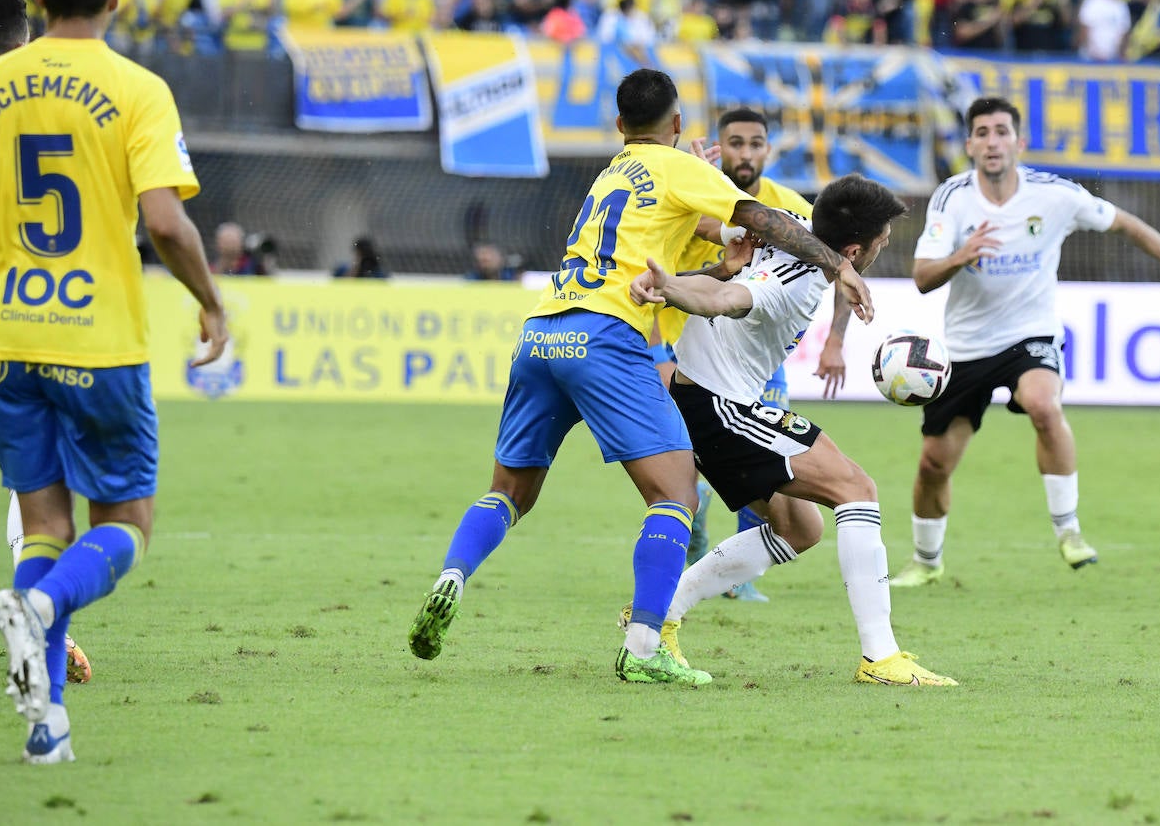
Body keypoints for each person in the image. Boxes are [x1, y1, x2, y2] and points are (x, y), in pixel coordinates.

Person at [406, 67, 873, 686]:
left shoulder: (610, 173)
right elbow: (766, 220)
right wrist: (834, 261)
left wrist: (720, 264)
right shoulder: (678, 165)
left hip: (543, 331)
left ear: (620, 126)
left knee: (510, 492)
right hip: (606, 338)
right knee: (676, 495)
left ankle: (451, 576)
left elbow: (670, 256)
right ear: (677, 125)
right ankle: (645, 644)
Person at [0, 0, 227, 764]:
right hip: (97, 340)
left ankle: (47, 730)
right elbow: (165, 219)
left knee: (42, 523)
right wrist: (211, 301)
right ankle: (44, 609)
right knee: (126, 521)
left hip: (3, 340)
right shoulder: (138, 89)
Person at [627, 174, 956, 686]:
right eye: (881, 240)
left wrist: (692, 269)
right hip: (719, 408)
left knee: (802, 529)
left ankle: (659, 613)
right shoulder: (794, 284)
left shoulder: (795, 232)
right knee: (857, 489)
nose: (886, 243)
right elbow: (726, 300)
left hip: (714, 399)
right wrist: (669, 287)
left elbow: (722, 261)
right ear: (851, 249)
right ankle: (881, 658)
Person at [890, 97, 1160, 588]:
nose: (992, 141)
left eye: (1001, 131)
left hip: (1031, 333)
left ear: (1019, 142)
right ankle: (926, 560)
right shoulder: (952, 197)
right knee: (933, 463)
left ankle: (1069, 531)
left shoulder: (1055, 195)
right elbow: (922, 277)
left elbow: (1127, 225)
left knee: (1043, 406)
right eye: (982, 132)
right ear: (969, 145)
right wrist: (961, 256)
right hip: (965, 347)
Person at [668, 108, 848, 603]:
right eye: (735, 143)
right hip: (680, 334)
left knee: (767, 458)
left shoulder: (791, 208)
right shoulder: (695, 196)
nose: (745, 153)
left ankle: (739, 574)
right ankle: (694, 527)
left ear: (768, 150)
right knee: (690, 474)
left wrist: (835, 340)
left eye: (755, 144)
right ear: (721, 147)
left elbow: (836, 266)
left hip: (753, 353)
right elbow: (693, 257)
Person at [0, 0, 94, 689]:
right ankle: (48, 624)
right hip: (24, 324)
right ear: (22, 40)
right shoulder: (56, 104)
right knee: (42, 494)